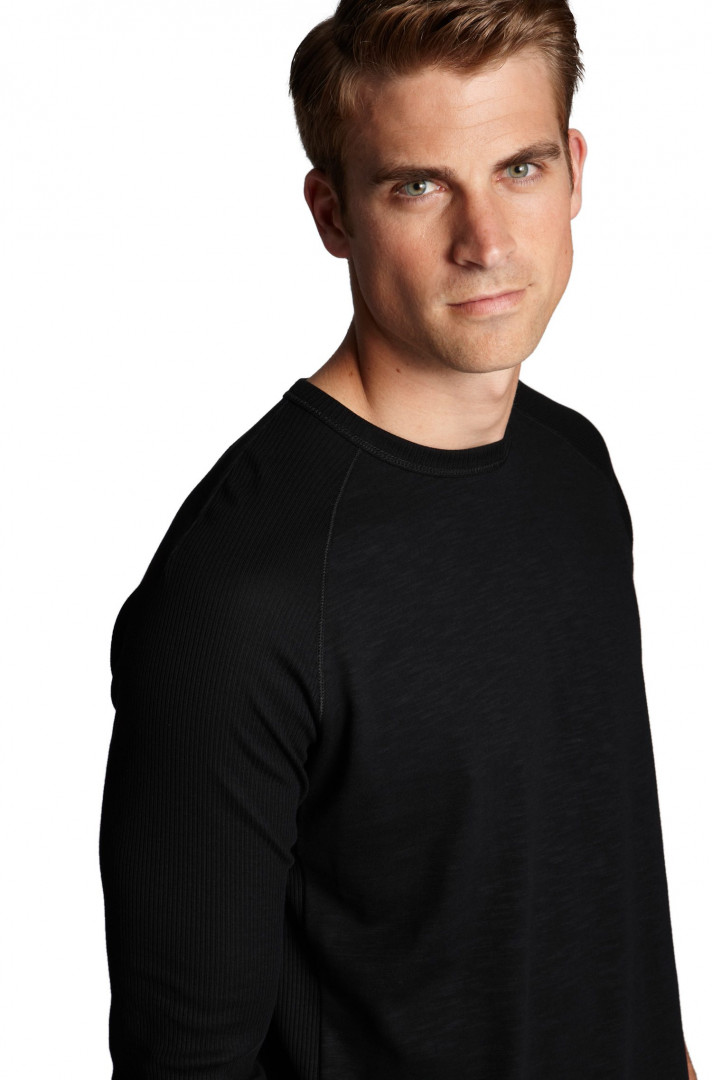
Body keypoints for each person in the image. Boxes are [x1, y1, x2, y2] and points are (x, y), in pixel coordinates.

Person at [99, 1, 697, 1077]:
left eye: (519, 169)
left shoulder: (574, 467)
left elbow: (593, 909)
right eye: (418, 186)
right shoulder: (239, 595)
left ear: (574, 171)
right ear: (333, 214)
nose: (486, 243)